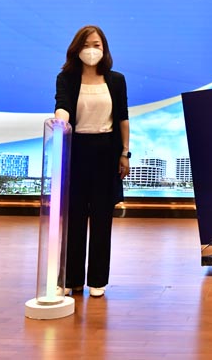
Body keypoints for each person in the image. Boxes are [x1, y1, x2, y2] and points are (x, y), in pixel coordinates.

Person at [54, 25, 130, 298]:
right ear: (76, 49)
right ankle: (71, 279)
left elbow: (122, 118)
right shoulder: (66, 78)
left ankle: (97, 279)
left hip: (106, 152)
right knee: (74, 218)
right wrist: (59, 120)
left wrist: (125, 152)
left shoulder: (116, 80)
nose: (91, 50)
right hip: (75, 151)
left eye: (96, 45)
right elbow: (62, 105)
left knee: (101, 218)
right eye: (86, 45)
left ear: (104, 48)